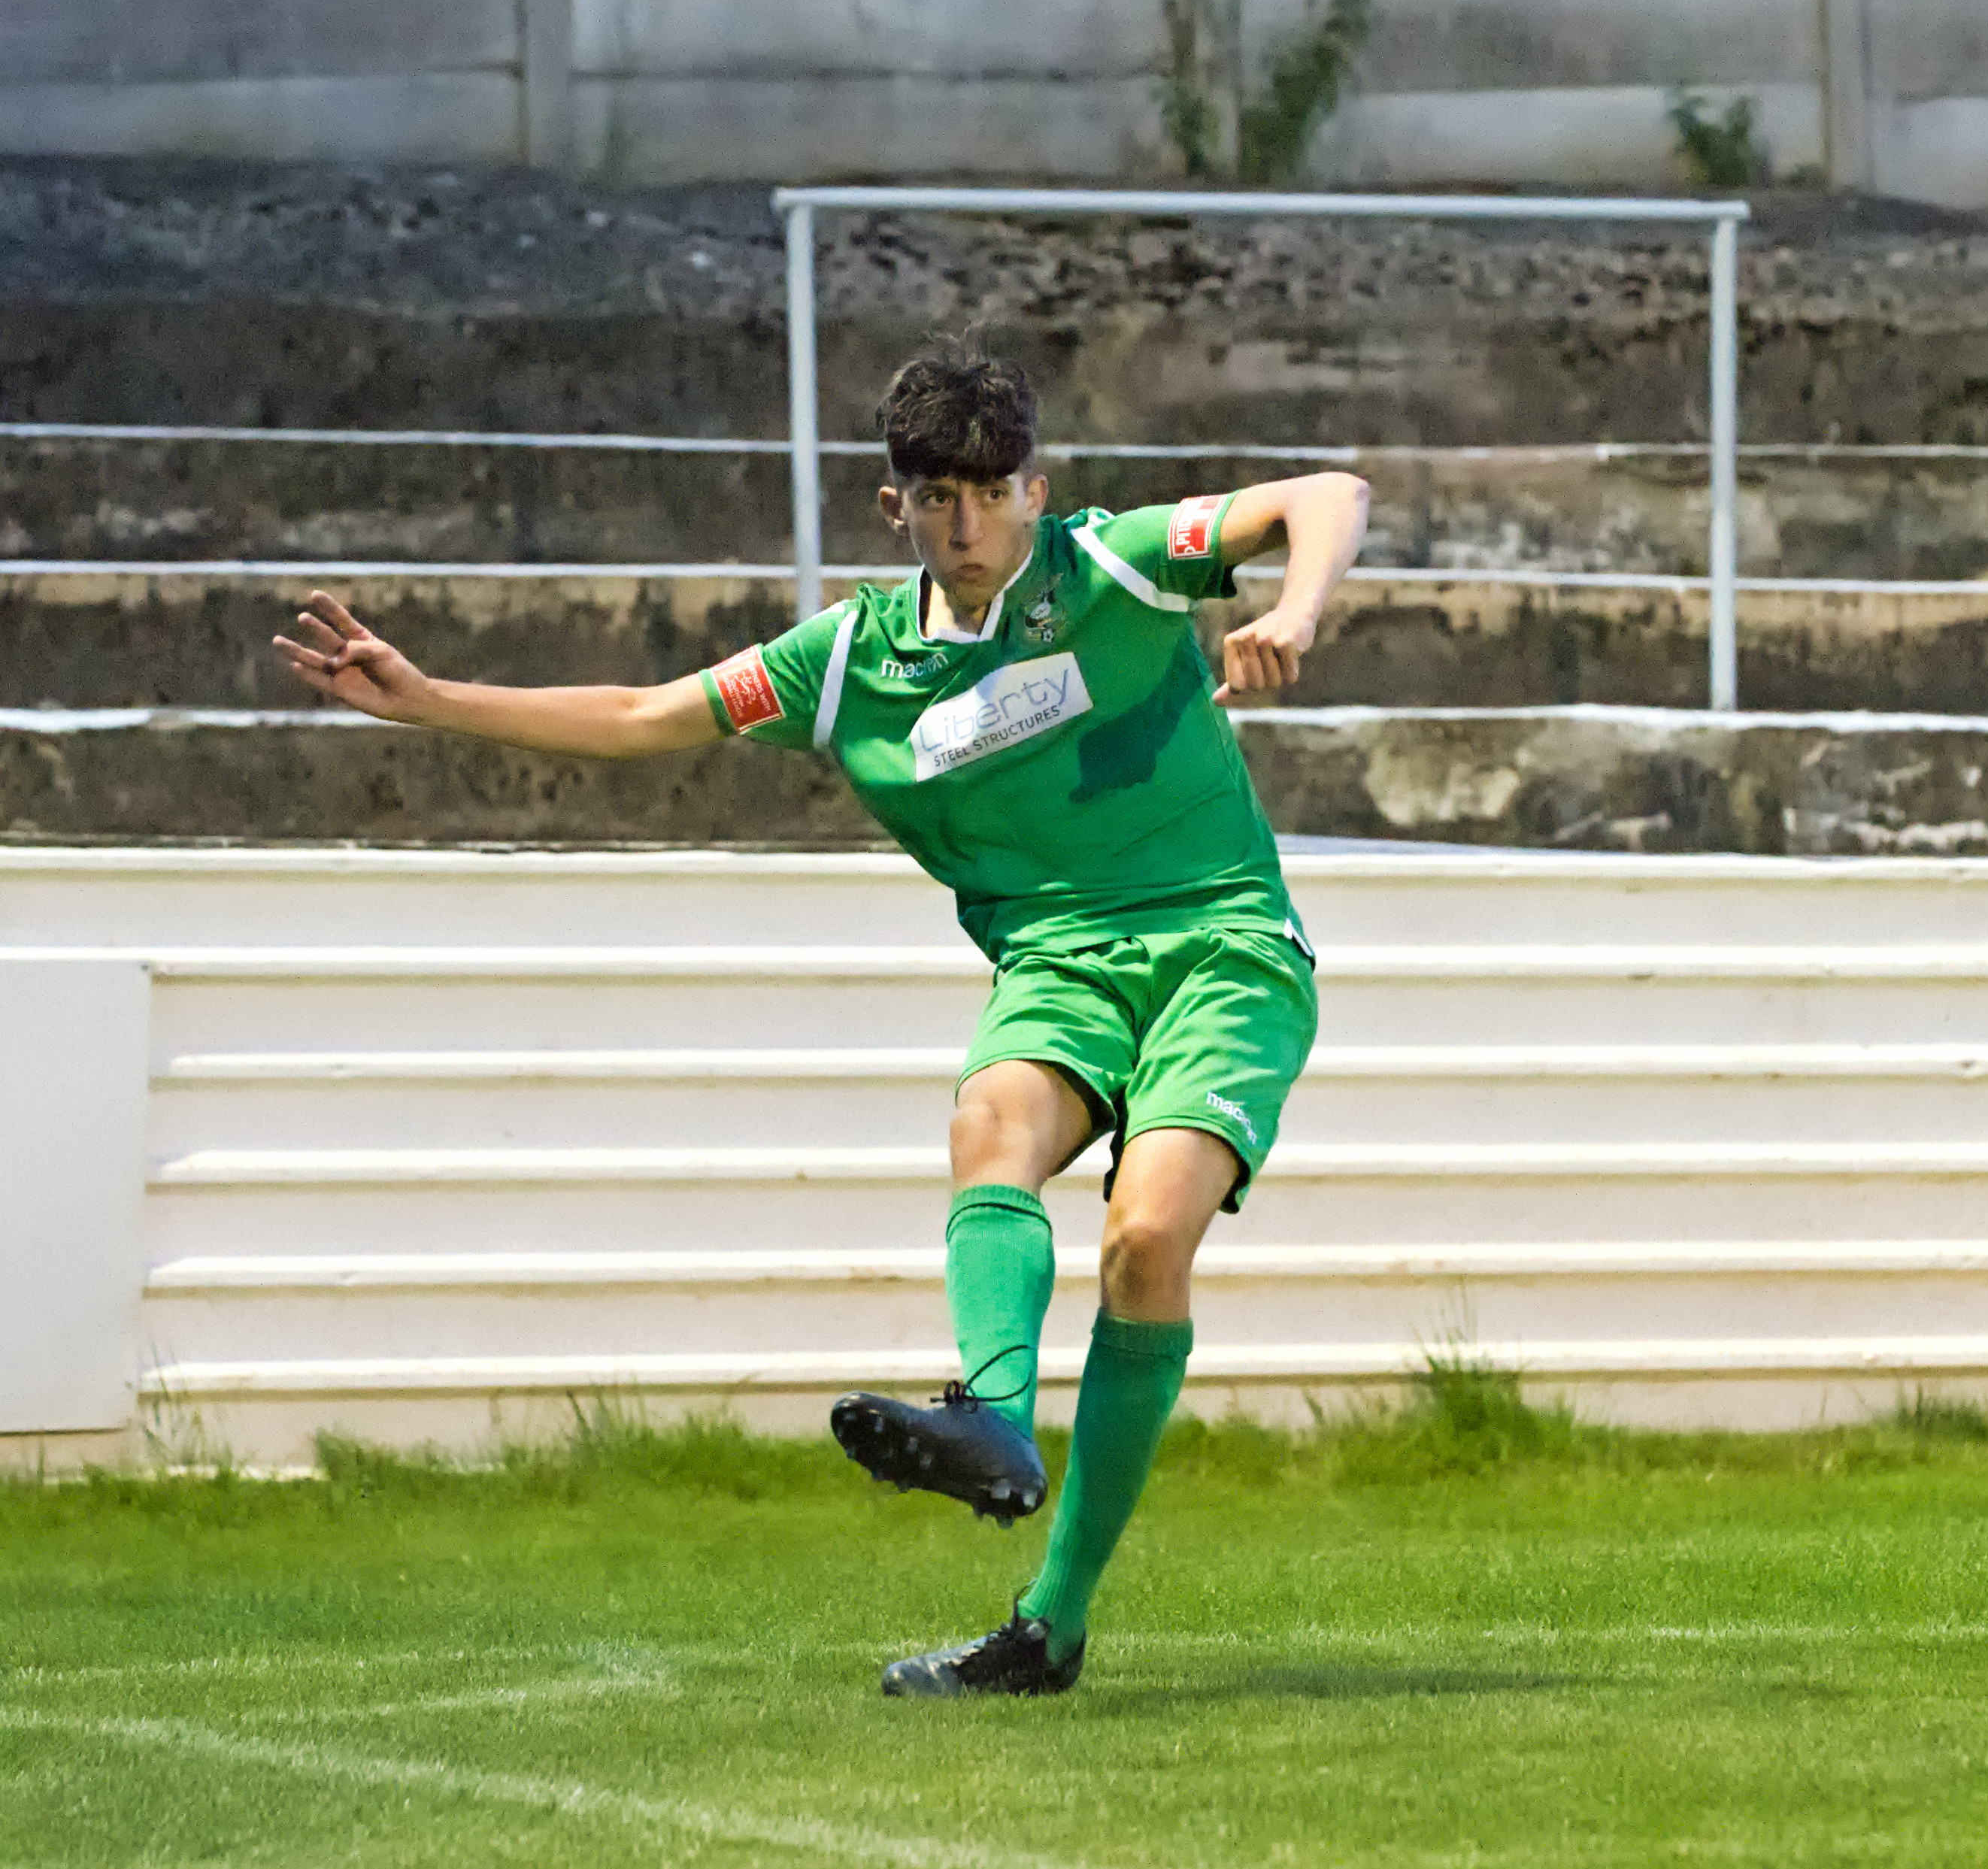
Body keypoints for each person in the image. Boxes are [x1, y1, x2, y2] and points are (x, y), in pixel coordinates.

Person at [274, 353, 1370, 1699]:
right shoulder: (850, 659)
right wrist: (434, 699)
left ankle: (1051, 1624)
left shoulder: (1122, 566)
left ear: (1036, 489)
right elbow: (643, 712)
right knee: (991, 1120)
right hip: (1057, 962)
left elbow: (1328, 490)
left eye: (987, 494)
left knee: (1146, 1241)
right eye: (934, 498)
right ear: (889, 506)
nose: (965, 527)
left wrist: (1298, 612)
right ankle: (997, 1427)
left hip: (1224, 942)